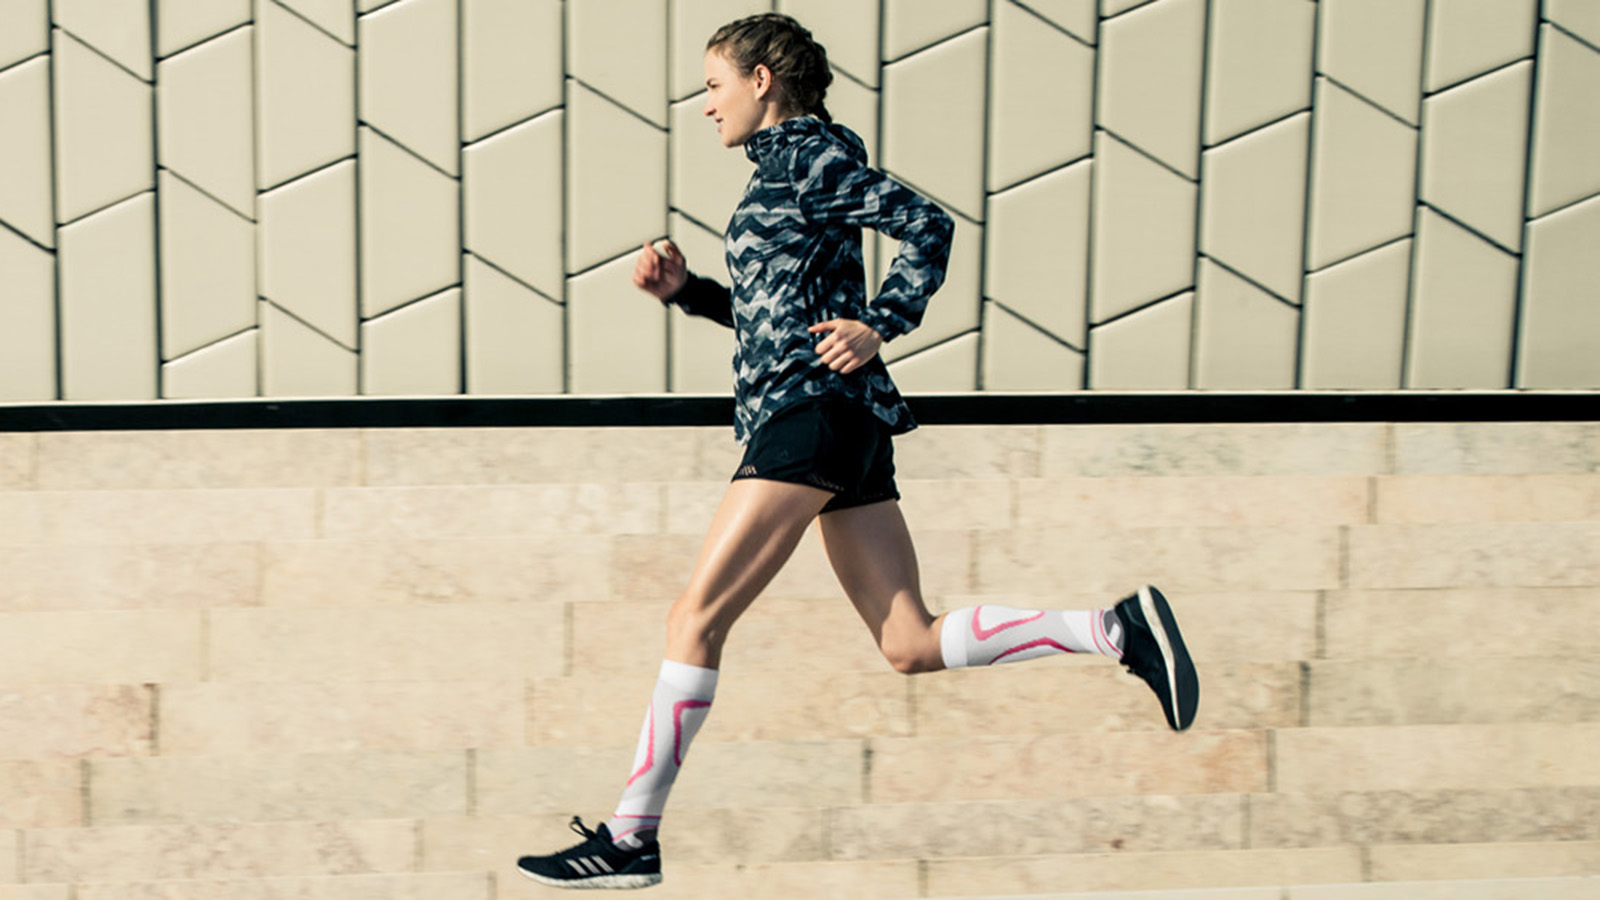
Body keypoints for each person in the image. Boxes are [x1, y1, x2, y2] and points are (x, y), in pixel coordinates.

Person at [516, 13, 1198, 890]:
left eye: (713, 83)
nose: (704, 104)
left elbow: (929, 226)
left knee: (695, 618)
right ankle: (1114, 630)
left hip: (808, 418)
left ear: (764, 79)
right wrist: (689, 293)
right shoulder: (789, 171)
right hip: (839, 421)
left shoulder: (807, 158)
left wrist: (884, 323)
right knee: (908, 642)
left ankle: (631, 835)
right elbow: (776, 315)